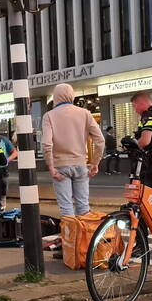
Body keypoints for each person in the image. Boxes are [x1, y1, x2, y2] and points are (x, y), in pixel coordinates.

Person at [41, 83, 104, 217]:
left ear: (56, 96)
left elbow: (46, 144)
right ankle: (85, 237)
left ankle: (70, 237)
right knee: (83, 205)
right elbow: (100, 141)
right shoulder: (85, 113)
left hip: (60, 166)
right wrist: (95, 163)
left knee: (66, 207)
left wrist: (51, 167)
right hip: (81, 165)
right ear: (72, 96)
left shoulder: (49, 116)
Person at [0, 130, 17, 209]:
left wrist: (7, 160)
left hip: (3, 170)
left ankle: (2, 208)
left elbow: (15, 152)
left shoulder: (3, 140)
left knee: (3, 189)